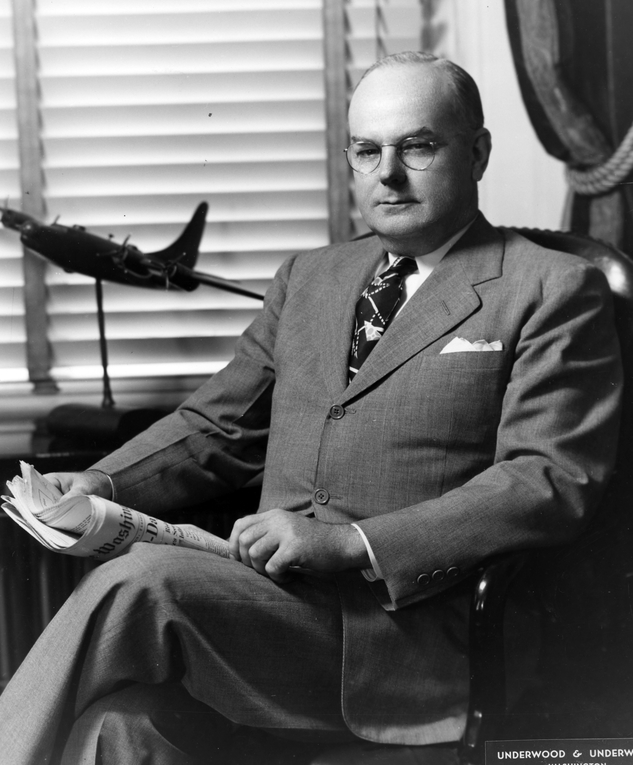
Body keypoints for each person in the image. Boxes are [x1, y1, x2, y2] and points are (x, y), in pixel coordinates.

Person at [0, 51, 622, 765]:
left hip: (415, 633)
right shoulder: (309, 277)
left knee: (143, 584)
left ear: (476, 152)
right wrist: (102, 486)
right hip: (270, 615)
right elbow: (219, 425)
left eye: (417, 146)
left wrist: (353, 544)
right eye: (366, 150)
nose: (386, 174)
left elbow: (546, 480)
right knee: (116, 728)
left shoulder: (551, 287)